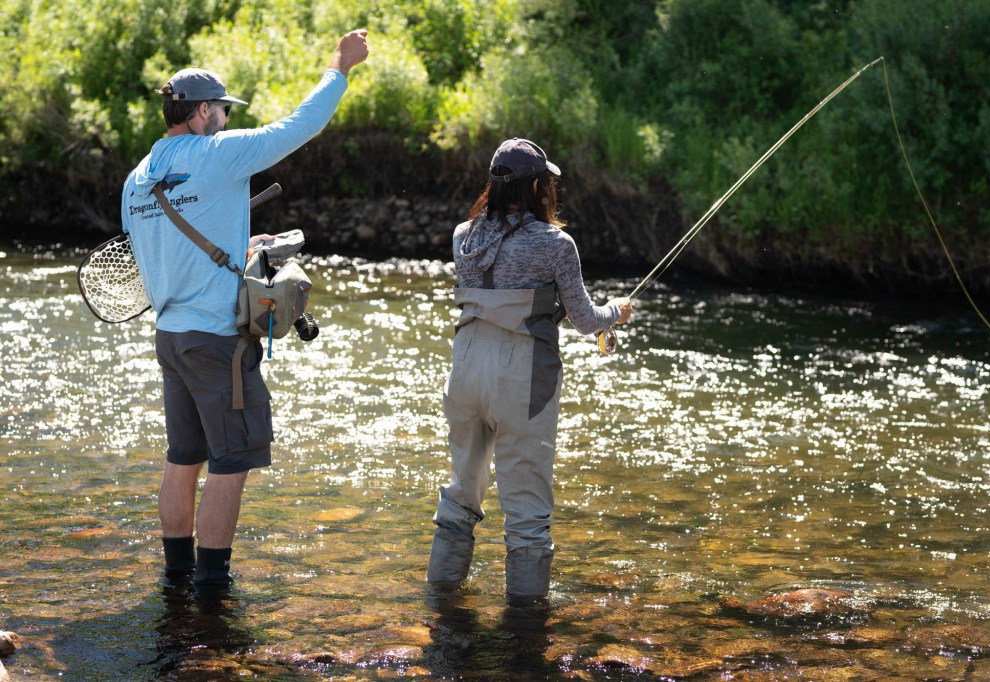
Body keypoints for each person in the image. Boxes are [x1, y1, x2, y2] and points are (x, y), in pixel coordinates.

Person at [121, 30, 369, 589]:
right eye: (223, 111)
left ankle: (177, 579)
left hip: (170, 338)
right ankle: (213, 589)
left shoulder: (136, 179)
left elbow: (158, 253)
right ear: (203, 111)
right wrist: (340, 64)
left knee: (184, 455)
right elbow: (300, 126)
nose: (226, 121)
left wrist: (242, 248)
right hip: (217, 343)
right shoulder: (218, 153)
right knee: (232, 460)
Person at [427, 138, 634, 603]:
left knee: (462, 488)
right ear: (538, 186)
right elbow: (584, 320)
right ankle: (524, 634)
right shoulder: (555, 243)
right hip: (521, 377)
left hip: (464, 368)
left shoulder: (464, 236)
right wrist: (616, 312)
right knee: (526, 510)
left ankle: (440, 603)